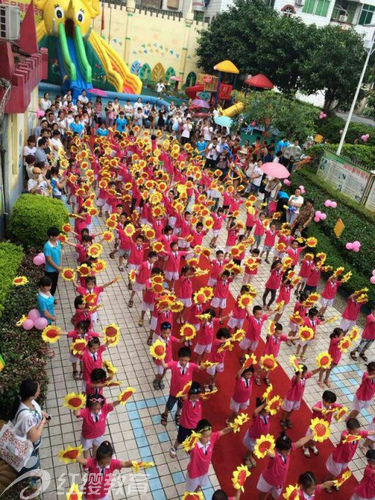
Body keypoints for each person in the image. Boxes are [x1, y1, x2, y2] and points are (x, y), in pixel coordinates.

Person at [257, 432, 313, 500]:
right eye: (286, 452)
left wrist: (310, 436)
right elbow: (272, 455)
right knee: (263, 492)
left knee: (274, 496)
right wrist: (266, 449)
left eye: (289, 451)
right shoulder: (274, 455)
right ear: (279, 450)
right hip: (267, 480)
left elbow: (299, 443)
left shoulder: (287, 448)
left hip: (280, 483)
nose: (289, 453)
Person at [10, 379, 50, 473]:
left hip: (29, 443)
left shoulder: (24, 399)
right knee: (33, 467)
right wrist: (42, 423)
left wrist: (42, 413)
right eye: (38, 390)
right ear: (32, 396)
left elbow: (34, 409)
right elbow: (34, 437)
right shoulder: (26, 417)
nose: (39, 390)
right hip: (25, 446)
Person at [184, 419, 233, 493]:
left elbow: (222, 431)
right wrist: (191, 440)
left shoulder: (212, 438)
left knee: (199, 485)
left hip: (204, 471)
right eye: (205, 436)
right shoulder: (194, 446)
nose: (208, 438)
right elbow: (187, 448)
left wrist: (233, 427)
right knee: (189, 491)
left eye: (209, 435)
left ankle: (195, 494)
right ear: (199, 435)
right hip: (193, 474)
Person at [159, 346, 201, 426]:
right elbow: (164, 366)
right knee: (170, 404)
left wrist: (204, 365)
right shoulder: (174, 364)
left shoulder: (192, 366)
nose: (183, 362)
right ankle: (165, 414)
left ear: (189, 359)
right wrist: (161, 356)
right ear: (178, 358)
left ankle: (178, 414)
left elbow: (199, 368)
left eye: (185, 360)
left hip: (185, 393)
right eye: (182, 360)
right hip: (174, 391)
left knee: (181, 405)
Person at [74, 393, 121, 458]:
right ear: (89, 406)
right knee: (85, 449)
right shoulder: (86, 411)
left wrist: (121, 400)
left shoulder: (105, 408)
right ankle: (87, 461)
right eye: (93, 409)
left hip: (99, 435)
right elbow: (76, 413)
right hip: (87, 436)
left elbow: (113, 404)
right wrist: (76, 405)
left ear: (102, 406)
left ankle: (94, 458)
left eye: (98, 409)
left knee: (96, 447)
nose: (96, 411)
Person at [169, 381, 203, 458]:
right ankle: (174, 447)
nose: (195, 399)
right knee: (180, 438)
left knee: (192, 439)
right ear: (189, 395)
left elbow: (207, 395)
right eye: (193, 397)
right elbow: (182, 392)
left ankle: (189, 447)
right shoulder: (186, 401)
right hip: (184, 425)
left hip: (195, 426)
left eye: (197, 396)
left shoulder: (200, 400)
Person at [43, 226, 62, 296]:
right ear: (51, 236)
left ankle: (52, 297)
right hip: (50, 270)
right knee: (49, 285)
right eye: (57, 235)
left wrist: (60, 265)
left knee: (54, 284)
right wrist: (57, 268)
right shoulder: (47, 246)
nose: (58, 236)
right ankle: (48, 298)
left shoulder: (58, 242)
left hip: (57, 268)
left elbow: (60, 253)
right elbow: (49, 260)